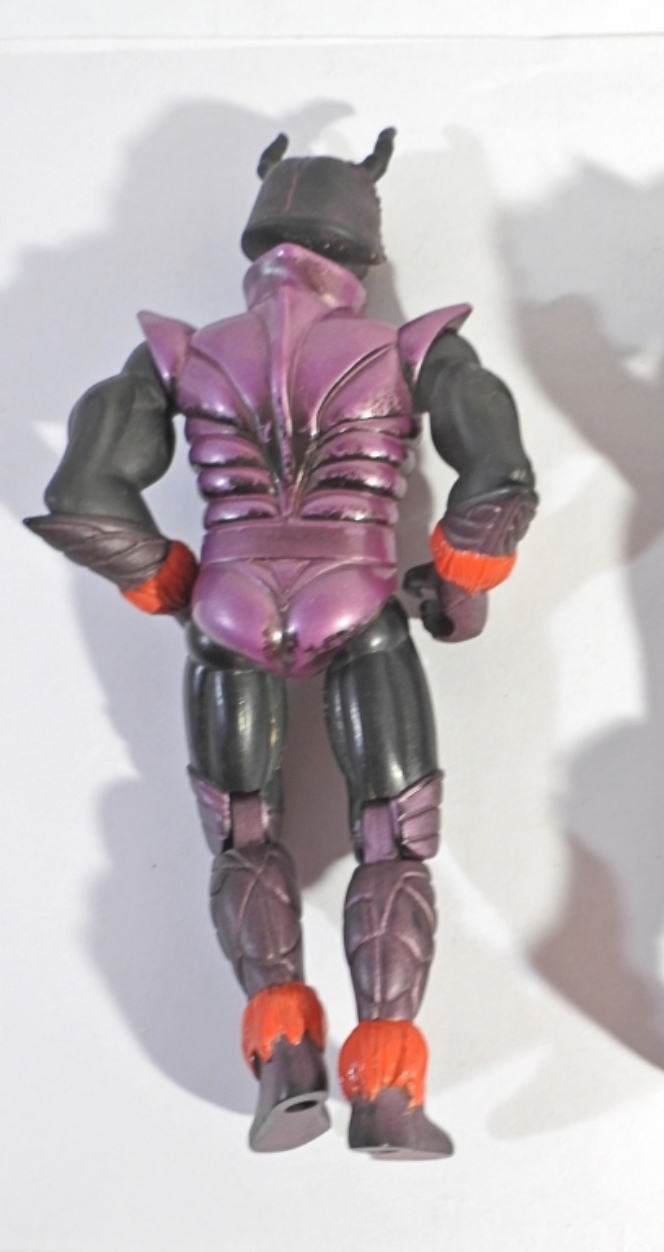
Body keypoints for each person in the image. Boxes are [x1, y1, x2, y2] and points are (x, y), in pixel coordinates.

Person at [27, 130, 537, 1158]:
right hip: (358, 596)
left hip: (228, 604)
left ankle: (284, 1061)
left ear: (259, 240)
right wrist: (456, 590)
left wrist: (171, 583)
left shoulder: (181, 351)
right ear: (363, 251)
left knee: (245, 836)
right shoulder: (411, 348)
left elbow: (83, 493)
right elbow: (497, 481)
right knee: (391, 838)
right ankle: (387, 1089)